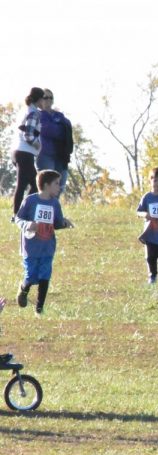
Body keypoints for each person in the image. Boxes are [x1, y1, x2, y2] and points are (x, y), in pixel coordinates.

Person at [14, 170, 75, 314]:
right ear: (46, 185)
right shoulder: (30, 201)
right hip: (31, 247)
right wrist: (29, 225)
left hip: (47, 247)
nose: (59, 187)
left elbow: (57, 223)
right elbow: (18, 219)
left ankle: (39, 309)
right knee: (31, 275)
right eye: (56, 184)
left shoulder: (55, 203)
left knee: (44, 276)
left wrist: (65, 223)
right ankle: (23, 289)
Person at [11, 87, 45, 218]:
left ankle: (21, 212)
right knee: (31, 185)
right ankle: (18, 214)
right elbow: (28, 135)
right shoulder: (33, 113)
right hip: (24, 153)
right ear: (40, 99)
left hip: (19, 152)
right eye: (43, 98)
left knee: (32, 184)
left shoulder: (26, 110)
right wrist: (37, 144)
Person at [36, 89, 74, 197]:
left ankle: (54, 211)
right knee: (46, 186)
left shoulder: (60, 115)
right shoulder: (38, 115)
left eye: (50, 97)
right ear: (40, 100)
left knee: (59, 186)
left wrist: (59, 129)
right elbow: (47, 130)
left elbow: (67, 128)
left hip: (61, 155)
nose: (48, 100)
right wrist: (60, 130)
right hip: (45, 155)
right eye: (45, 97)